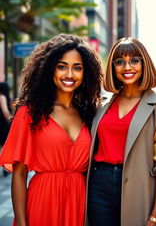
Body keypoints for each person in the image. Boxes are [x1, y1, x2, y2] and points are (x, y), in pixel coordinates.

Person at [0, 34, 102, 226]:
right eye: (62, 66)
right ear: (49, 69)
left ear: (86, 72)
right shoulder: (29, 112)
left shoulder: (90, 113)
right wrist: (22, 223)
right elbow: (19, 174)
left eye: (77, 68)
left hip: (81, 203)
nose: (69, 74)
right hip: (43, 201)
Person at [86, 37, 156, 226]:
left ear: (144, 63)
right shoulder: (102, 105)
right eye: (120, 62)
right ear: (112, 66)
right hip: (98, 184)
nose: (127, 67)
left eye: (134, 60)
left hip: (139, 185)